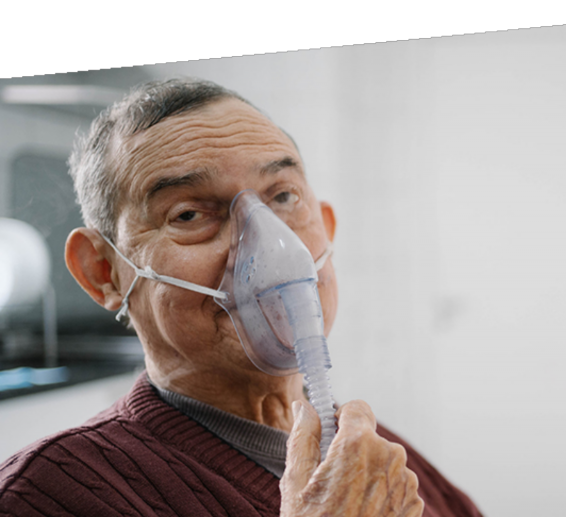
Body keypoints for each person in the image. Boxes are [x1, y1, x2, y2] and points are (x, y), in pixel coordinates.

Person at [0, 78, 482, 516]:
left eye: (284, 198)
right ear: (103, 272)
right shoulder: (47, 497)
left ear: (326, 228)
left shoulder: (383, 462)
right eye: (189, 215)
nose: (272, 247)